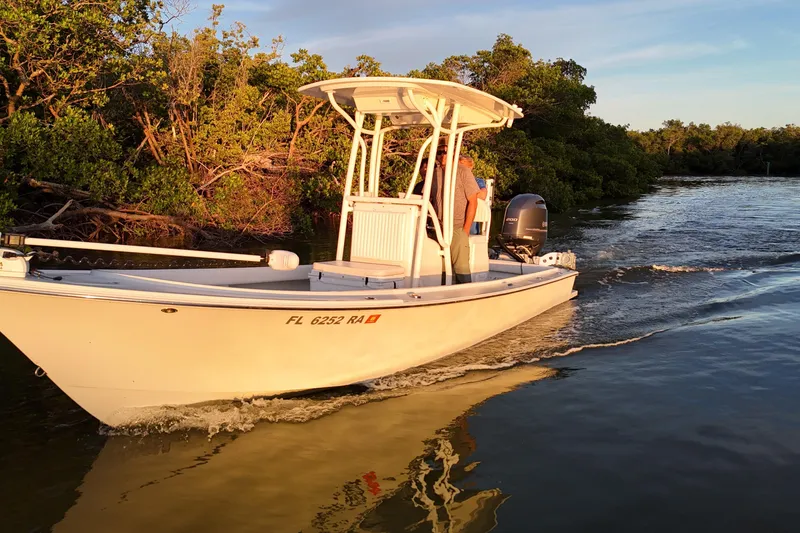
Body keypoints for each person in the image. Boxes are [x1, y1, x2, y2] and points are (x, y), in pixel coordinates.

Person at [430, 146, 481, 284]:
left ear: (453, 153)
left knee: (461, 271)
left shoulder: (463, 171)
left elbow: (473, 201)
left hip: (458, 227)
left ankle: (466, 294)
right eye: (439, 152)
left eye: (445, 152)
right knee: (439, 270)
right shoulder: (434, 173)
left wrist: (466, 230)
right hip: (438, 228)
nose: (442, 155)